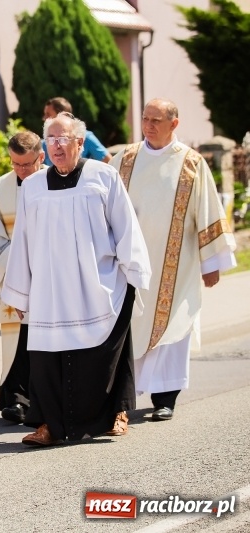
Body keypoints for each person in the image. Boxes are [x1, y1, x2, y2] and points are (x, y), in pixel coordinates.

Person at [0, 112, 151, 446]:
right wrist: (20, 292)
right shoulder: (33, 186)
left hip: (97, 282)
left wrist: (133, 271)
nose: (56, 146)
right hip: (50, 288)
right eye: (50, 140)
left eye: (63, 139)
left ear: (80, 142)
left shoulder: (103, 176)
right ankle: (49, 425)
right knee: (45, 357)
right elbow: (22, 239)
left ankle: (115, 414)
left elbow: (125, 226)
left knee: (105, 353)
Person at [110, 99, 236, 422]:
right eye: (145, 119)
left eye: (156, 120)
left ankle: (166, 397)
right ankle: (126, 396)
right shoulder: (125, 159)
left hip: (175, 270)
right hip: (132, 265)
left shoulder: (191, 164)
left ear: (174, 124)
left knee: (173, 329)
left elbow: (207, 212)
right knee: (132, 327)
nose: (148, 126)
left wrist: (211, 264)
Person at [0, 131, 44, 424]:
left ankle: (44, 400)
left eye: (27, 164)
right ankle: (18, 400)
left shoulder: (55, 183)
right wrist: (19, 269)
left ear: (40, 157)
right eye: (15, 163)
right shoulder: (0, 187)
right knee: (17, 341)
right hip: (15, 276)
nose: (20, 170)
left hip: (49, 275)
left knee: (44, 339)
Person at [41, 97, 111, 165]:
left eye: (48, 114)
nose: (44, 118)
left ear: (63, 115)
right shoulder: (45, 143)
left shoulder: (86, 138)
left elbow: (109, 162)